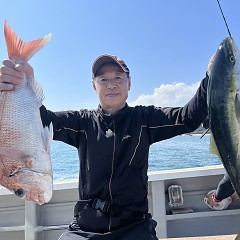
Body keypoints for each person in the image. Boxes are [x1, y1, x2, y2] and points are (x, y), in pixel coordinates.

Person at [0, 54, 209, 240]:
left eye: (118, 78)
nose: (111, 84)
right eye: (103, 79)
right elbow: (41, 120)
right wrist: (22, 81)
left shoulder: (145, 119)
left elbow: (187, 119)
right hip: (86, 228)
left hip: (134, 227)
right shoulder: (82, 122)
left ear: (129, 83)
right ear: (94, 86)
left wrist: (210, 79)